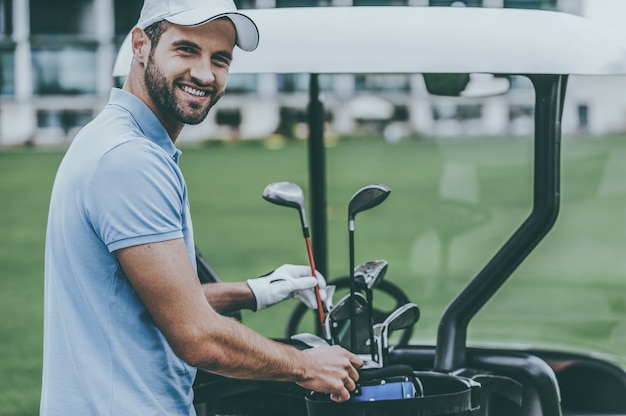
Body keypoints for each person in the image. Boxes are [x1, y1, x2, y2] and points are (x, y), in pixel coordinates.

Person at [40, 0, 363, 414]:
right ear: (141, 45)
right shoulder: (130, 159)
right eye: (186, 49)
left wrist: (255, 291)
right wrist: (305, 364)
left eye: (220, 59)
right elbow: (195, 334)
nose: (205, 74)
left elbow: (150, 301)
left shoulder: (109, 138)